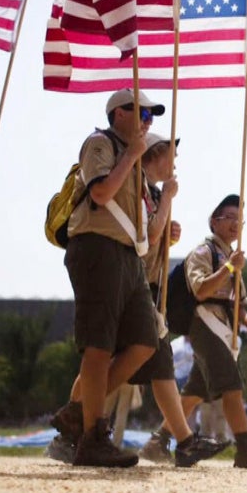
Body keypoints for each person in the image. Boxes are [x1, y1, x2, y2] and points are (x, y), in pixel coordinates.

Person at [48, 88, 163, 468]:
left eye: (151, 116)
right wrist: (131, 154)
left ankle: (76, 411)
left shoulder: (137, 163)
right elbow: (100, 193)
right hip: (96, 248)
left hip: (128, 257)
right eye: (142, 113)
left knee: (145, 342)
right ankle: (93, 436)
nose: (148, 122)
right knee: (98, 347)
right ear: (118, 114)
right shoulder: (101, 143)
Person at [115, 132, 228, 467]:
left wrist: (168, 235)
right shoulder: (139, 188)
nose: (175, 164)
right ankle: (75, 419)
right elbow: (147, 236)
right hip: (132, 285)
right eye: (170, 156)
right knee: (109, 360)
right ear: (155, 155)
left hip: (149, 287)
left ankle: (183, 441)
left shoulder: (149, 191)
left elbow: (153, 243)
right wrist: (167, 200)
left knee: (160, 362)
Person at [153, 194, 247, 468]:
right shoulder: (205, 253)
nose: (236, 224)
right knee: (231, 384)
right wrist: (229, 267)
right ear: (214, 222)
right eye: (230, 218)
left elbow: (238, 304)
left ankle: (159, 439)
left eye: (240, 220)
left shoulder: (232, 259)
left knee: (196, 390)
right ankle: (245, 447)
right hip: (203, 324)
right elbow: (201, 289)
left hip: (224, 327)